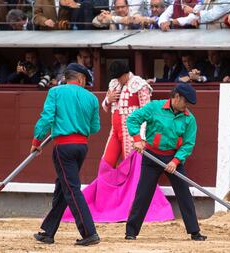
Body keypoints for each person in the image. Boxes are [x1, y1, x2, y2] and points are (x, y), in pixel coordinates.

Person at [62, 60, 174, 222]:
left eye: (120, 77)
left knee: (133, 172)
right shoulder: (114, 84)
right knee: (105, 165)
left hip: (131, 134)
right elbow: (106, 107)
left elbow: (148, 113)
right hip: (115, 133)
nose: (118, 80)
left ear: (126, 73)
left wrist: (140, 138)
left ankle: (132, 208)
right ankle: (105, 206)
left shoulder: (140, 85)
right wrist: (108, 99)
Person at [124, 82, 207, 241]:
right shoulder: (155, 107)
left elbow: (188, 144)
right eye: (185, 102)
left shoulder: (189, 119)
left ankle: (194, 231)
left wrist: (175, 161)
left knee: (184, 193)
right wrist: (137, 139)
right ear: (176, 97)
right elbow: (133, 119)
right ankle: (131, 232)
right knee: (143, 193)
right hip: (152, 156)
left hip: (172, 158)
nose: (187, 106)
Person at [32, 63, 101, 246]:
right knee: (63, 187)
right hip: (81, 147)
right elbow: (94, 128)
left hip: (64, 147)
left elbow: (47, 118)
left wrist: (36, 142)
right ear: (80, 79)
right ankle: (48, 232)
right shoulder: (92, 98)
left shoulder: (56, 92)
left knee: (71, 189)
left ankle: (89, 232)